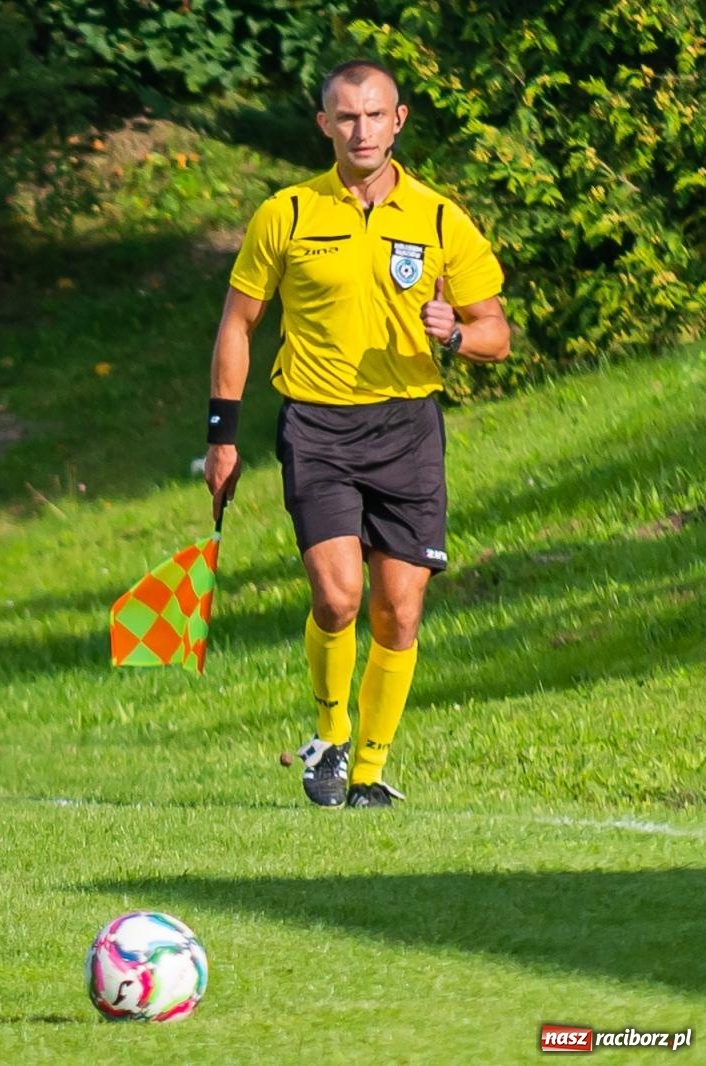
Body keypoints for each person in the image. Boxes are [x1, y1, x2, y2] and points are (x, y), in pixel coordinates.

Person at [203, 59, 509, 809]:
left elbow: (495, 330)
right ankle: (330, 735)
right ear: (324, 126)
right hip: (316, 425)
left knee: (399, 611)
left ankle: (370, 772)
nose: (361, 130)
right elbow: (238, 324)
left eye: (375, 116)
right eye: (346, 117)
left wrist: (456, 336)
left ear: (398, 120)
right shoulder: (288, 213)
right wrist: (223, 435)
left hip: (408, 428)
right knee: (338, 599)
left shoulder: (439, 219)